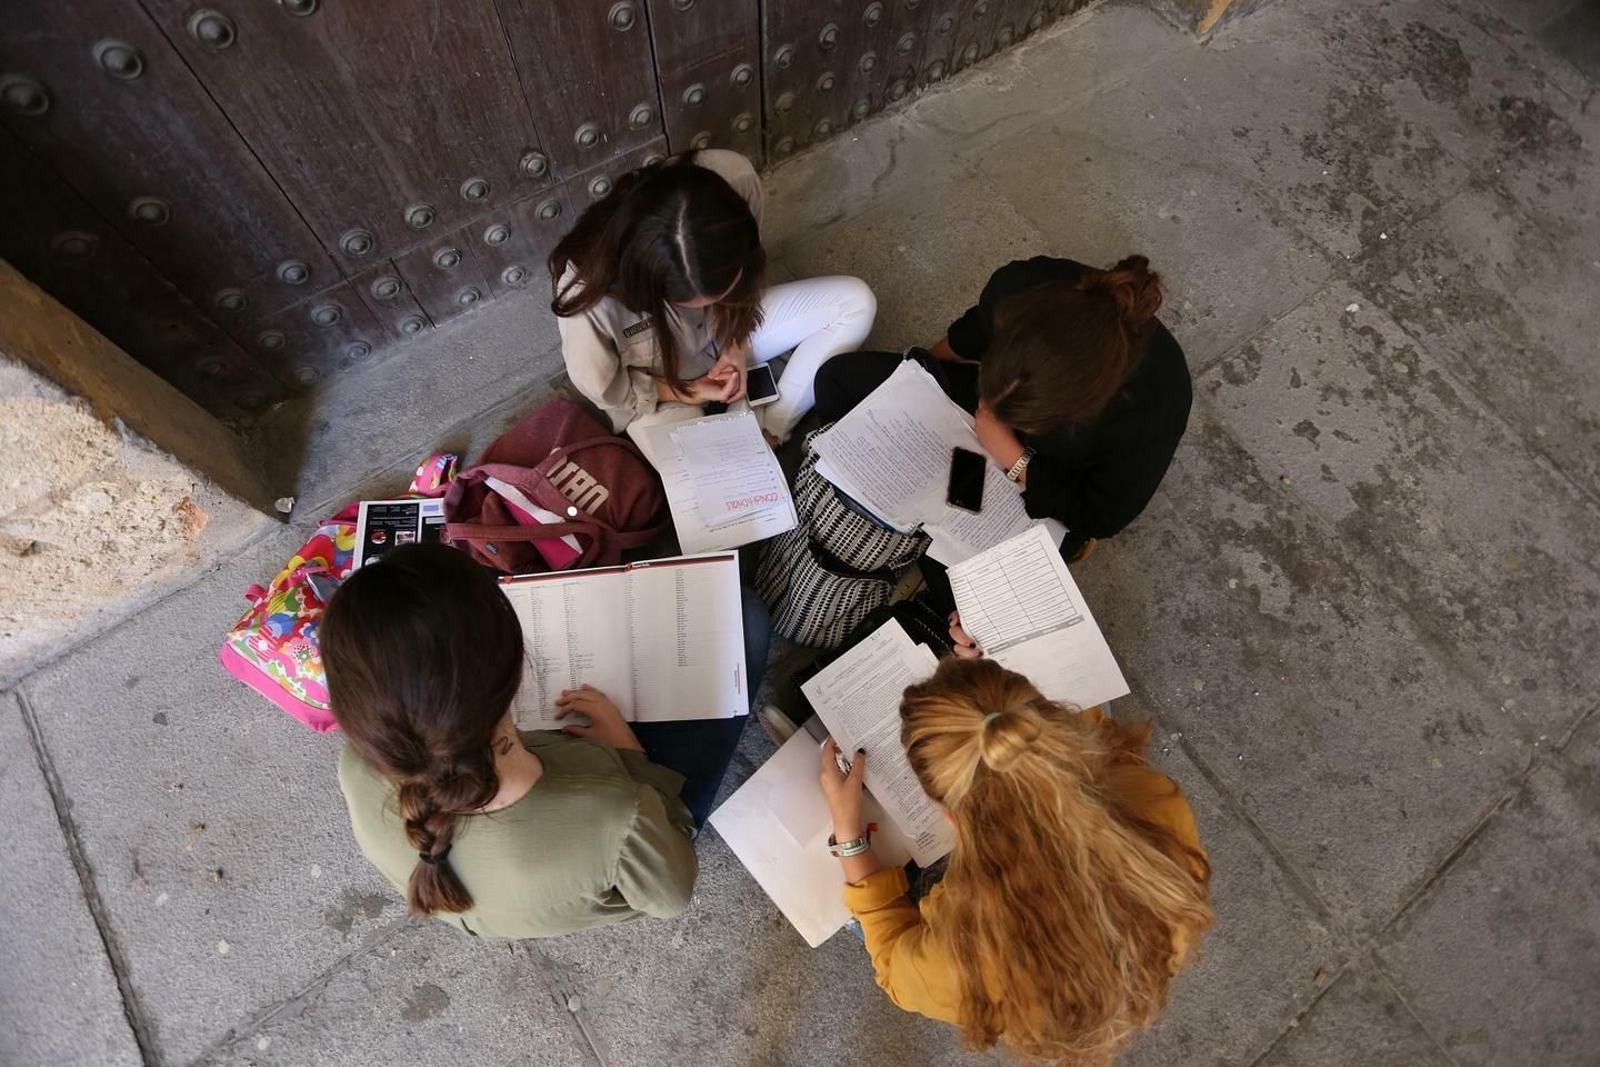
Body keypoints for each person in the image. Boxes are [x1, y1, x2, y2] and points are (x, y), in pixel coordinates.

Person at [323, 544, 769, 937]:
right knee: (744, 619)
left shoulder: (356, 766)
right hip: (629, 807)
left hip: (541, 861)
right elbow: (670, 897)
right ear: (512, 671)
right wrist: (630, 756)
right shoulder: (619, 815)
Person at [817, 656, 1213, 1063]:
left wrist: (849, 836)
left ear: (949, 815)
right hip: (1119, 957)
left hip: (1002, 973)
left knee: (859, 918)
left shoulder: (957, 961)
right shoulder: (1154, 805)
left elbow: (893, 966)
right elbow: (1110, 754)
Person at [814, 254, 1191, 570]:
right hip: (976, 422)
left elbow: (1100, 514)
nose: (993, 409)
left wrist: (1011, 454)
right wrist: (915, 382)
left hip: (1046, 475)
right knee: (837, 379)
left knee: (964, 587)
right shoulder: (1023, 286)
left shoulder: (1156, 403)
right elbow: (965, 339)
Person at [549, 149, 876, 451]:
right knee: (705, 474)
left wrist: (733, 341)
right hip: (660, 388)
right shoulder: (586, 295)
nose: (704, 306)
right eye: (688, 301)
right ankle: (745, 420)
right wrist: (692, 390)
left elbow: (745, 275)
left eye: (721, 288)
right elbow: (613, 394)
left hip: (731, 330)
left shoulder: (734, 180)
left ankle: (771, 430)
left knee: (855, 302)